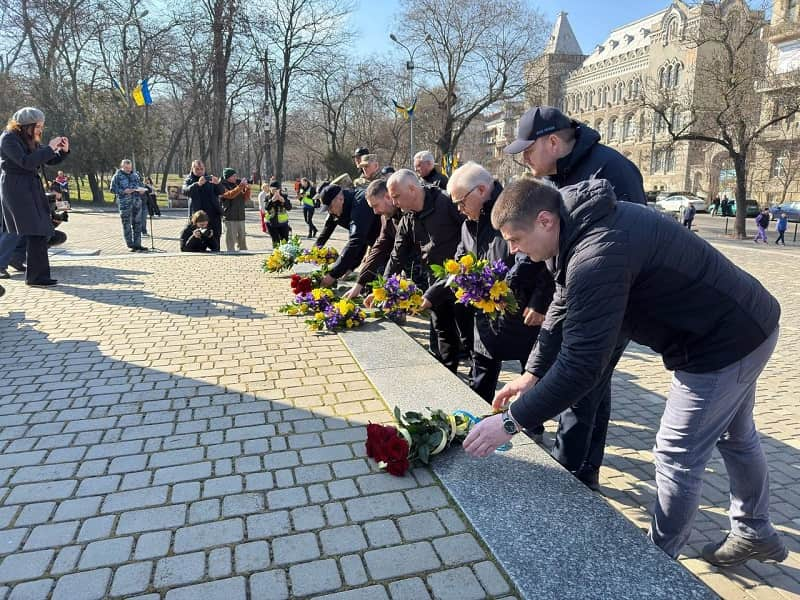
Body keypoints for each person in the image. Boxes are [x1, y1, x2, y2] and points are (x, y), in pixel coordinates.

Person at [464, 177, 787, 568]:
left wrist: (512, 423)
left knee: (675, 452)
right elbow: (562, 304)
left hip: (723, 342)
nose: (514, 251)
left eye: (515, 239)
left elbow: (582, 365)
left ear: (545, 220)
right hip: (742, 320)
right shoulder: (576, 229)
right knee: (737, 435)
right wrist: (532, 374)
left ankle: (654, 566)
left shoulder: (596, 253)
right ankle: (754, 531)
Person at [501, 104, 646, 489]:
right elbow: (557, 252)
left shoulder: (608, 171)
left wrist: (513, 419)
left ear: (552, 142)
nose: (523, 158)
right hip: (583, 291)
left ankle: (569, 477)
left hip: (613, 299)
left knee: (581, 382)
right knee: (593, 388)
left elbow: (612, 254)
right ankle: (584, 470)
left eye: (527, 150)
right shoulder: (567, 172)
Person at [428, 162, 554, 407]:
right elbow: (459, 263)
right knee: (482, 367)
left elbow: (543, 259)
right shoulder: (467, 225)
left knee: (530, 371)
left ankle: (532, 426)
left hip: (523, 310)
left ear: (481, 190)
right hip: (486, 311)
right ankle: (478, 416)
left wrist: (540, 301)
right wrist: (439, 292)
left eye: (461, 202)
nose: (459, 209)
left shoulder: (518, 210)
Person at [372, 169, 465, 372]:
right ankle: (449, 373)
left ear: (412, 189)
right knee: (442, 329)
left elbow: (469, 232)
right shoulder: (408, 217)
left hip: (461, 279)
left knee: (467, 334)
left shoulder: (446, 202)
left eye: (396, 196)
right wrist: (384, 287)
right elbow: (397, 253)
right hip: (436, 281)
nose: (394, 203)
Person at [0, 107, 68, 286]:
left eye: (41, 126)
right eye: (37, 126)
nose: (40, 130)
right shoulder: (8, 138)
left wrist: (62, 151)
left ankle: (37, 277)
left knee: (40, 231)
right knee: (35, 230)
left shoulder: (29, 139)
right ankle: (35, 276)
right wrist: (51, 147)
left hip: (30, 187)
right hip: (17, 189)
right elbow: (26, 162)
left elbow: (47, 159)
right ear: (25, 125)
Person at [342, 179, 402, 300]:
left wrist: (384, 288)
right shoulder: (385, 217)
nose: (375, 212)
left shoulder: (408, 211)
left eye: (375, 206)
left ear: (387, 197)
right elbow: (379, 247)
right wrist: (359, 284)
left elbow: (400, 252)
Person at [314, 184, 380, 288]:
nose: (330, 211)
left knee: (380, 283)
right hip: (378, 243)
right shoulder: (340, 208)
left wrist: (333, 274)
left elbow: (356, 240)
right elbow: (361, 240)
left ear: (340, 199)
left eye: (330, 207)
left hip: (390, 242)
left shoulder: (360, 203)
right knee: (370, 285)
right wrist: (350, 266)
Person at [182, 160, 223, 248]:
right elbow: (185, 191)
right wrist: (197, 184)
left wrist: (218, 184)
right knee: (197, 240)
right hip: (198, 217)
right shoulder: (189, 180)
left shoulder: (210, 179)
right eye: (197, 169)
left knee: (215, 241)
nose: (200, 171)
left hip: (213, 215)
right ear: (192, 169)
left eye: (202, 169)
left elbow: (221, 192)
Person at [110, 159, 148, 252]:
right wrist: (123, 191)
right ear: (122, 167)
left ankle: (138, 244)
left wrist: (142, 190)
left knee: (138, 224)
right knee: (127, 225)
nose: (128, 169)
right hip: (125, 205)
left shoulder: (135, 175)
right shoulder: (117, 176)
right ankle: (130, 245)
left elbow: (140, 185)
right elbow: (112, 189)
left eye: (130, 168)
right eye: (126, 168)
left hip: (137, 203)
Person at [219, 167, 250, 252]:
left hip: (240, 216)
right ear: (228, 177)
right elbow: (230, 195)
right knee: (231, 240)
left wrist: (248, 188)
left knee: (242, 240)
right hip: (229, 217)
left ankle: (244, 254)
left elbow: (245, 198)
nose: (236, 178)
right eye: (233, 176)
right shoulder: (221, 186)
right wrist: (240, 186)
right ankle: (231, 255)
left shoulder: (237, 185)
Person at [264, 180, 291, 248]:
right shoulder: (268, 197)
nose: (274, 191)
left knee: (285, 241)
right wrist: (272, 200)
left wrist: (283, 201)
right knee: (275, 241)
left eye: (276, 190)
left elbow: (289, 208)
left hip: (283, 223)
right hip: (271, 223)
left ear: (279, 189)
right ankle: (276, 255)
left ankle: (284, 256)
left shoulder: (284, 196)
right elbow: (266, 208)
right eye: (272, 189)